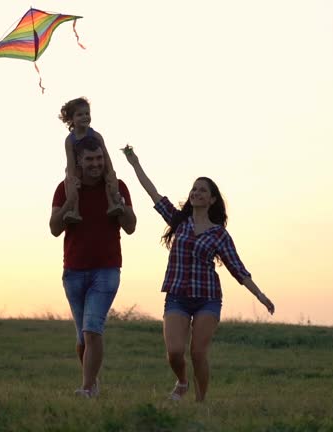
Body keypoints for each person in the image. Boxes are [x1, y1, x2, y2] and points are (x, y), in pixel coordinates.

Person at [121, 145, 274, 402]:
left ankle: (201, 401)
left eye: (203, 190)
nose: (197, 192)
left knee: (198, 353)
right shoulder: (179, 220)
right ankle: (182, 381)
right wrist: (135, 163)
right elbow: (153, 193)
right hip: (177, 296)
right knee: (175, 352)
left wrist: (260, 295)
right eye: (194, 188)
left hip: (207, 299)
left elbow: (238, 269)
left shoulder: (219, 234)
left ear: (212, 199)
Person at [49, 136, 137, 398]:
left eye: (99, 158)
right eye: (89, 159)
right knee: (82, 339)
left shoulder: (117, 186)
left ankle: (87, 388)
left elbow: (131, 227)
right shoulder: (64, 188)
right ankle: (93, 382)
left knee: (92, 329)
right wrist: (69, 201)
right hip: (74, 271)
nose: (96, 164)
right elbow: (54, 228)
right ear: (79, 162)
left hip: (107, 270)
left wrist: (119, 203)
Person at [58, 97, 124, 224]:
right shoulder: (70, 140)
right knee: (69, 182)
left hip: (98, 165)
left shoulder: (96, 135)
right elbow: (70, 162)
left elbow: (105, 155)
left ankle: (113, 204)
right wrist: (71, 178)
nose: (85, 117)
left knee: (108, 178)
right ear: (71, 119)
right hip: (78, 167)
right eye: (80, 114)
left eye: (87, 113)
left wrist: (110, 171)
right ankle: (74, 211)